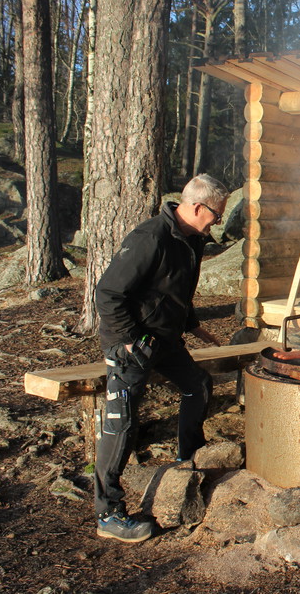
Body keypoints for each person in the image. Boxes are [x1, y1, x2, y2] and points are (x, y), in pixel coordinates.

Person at [93, 173, 229, 543]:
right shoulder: (150, 238)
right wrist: (129, 340)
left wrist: (193, 325)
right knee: (122, 421)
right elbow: (107, 294)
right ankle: (108, 513)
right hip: (132, 342)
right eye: (217, 213)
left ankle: (189, 457)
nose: (219, 220)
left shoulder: (192, 240)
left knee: (197, 385)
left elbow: (176, 290)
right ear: (197, 206)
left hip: (164, 339)